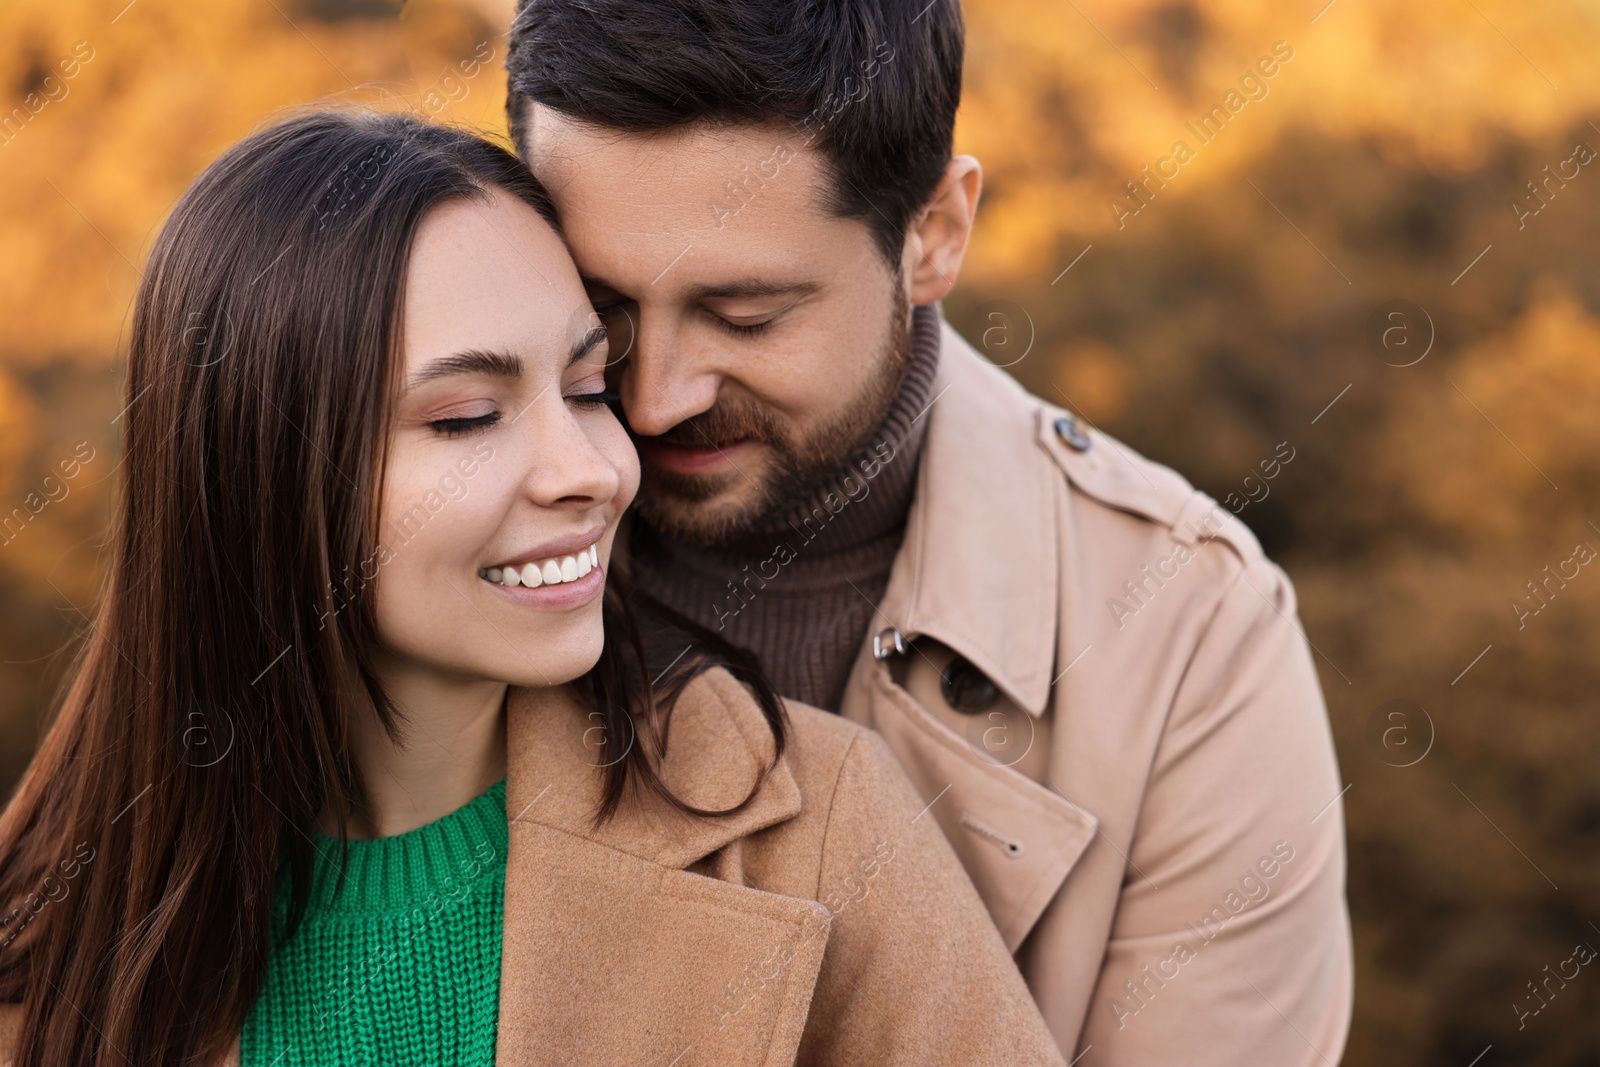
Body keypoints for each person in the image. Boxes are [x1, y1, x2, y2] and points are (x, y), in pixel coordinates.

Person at [0, 110, 1069, 1067]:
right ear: (256, 477)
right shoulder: (49, 925)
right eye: (467, 417)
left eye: (587, 385)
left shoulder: (817, 828)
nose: (594, 469)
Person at [504, 0, 1355, 1062]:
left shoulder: (1192, 638)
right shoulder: (392, 545)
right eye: (602, 305)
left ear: (933, 235)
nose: (659, 394)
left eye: (747, 314)